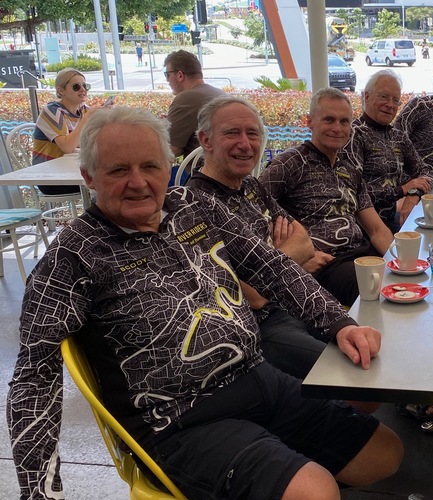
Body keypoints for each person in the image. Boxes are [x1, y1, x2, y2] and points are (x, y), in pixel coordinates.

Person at [7, 106, 403, 500]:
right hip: (179, 418)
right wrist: (40, 494)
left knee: (385, 454)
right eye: (118, 170)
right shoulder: (72, 256)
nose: (138, 182)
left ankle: (269, 467)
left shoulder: (192, 206)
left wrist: (339, 324)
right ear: (89, 176)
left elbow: (271, 267)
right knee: (315, 490)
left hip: (257, 376)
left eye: (150, 166)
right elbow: (33, 379)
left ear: (168, 167)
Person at [186, 95, 331, 378]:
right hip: (263, 326)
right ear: (205, 140)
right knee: (348, 371)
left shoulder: (251, 186)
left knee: (369, 341)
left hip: (299, 300)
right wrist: (287, 258)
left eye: (252, 134)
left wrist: (270, 265)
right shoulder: (193, 205)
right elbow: (252, 297)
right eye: (232, 133)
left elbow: (305, 242)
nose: (245, 144)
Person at [260, 88, 394, 306]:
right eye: (329, 120)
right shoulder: (289, 164)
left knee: (410, 277)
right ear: (310, 122)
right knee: (382, 290)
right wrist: (297, 258)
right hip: (326, 264)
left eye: (344, 121)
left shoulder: (350, 170)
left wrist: (400, 262)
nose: (337, 128)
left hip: (361, 253)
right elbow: (251, 213)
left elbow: (377, 230)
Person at [346, 70, 433, 232]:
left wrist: (413, 194)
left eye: (395, 100)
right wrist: (402, 190)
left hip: (392, 219)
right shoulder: (353, 134)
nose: (390, 105)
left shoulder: (397, 136)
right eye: (384, 97)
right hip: (361, 228)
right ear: (367, 96)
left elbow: (426, 171)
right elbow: (354, 192)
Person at [32, 68, 103, 194]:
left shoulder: (83, 110)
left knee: (112, 178)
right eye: (76, 87)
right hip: (49, 178)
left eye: (85, 86)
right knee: (107, 183)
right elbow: (67, 147)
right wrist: (86, 119)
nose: (83, 90)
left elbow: (91, 142)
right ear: (61, 90)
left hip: (72, 171)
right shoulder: (53, 110)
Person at [163, 49, 224, 157]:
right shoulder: (219, 92)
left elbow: (172, 149)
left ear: (180, 75)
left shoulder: (185, 99)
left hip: (200, 166)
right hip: (223, 162)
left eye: (167, 75)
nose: (167, 80)